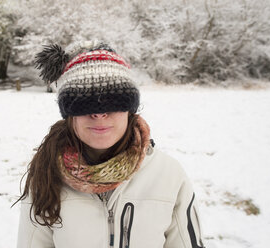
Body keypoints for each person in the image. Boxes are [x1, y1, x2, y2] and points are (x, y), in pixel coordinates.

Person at [15, 40, 205, 248]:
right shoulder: (46, 174)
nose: (99, 114)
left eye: (112, 103)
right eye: (84, 104)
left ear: (129, 110)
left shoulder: (169, 175)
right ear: (69, 114)